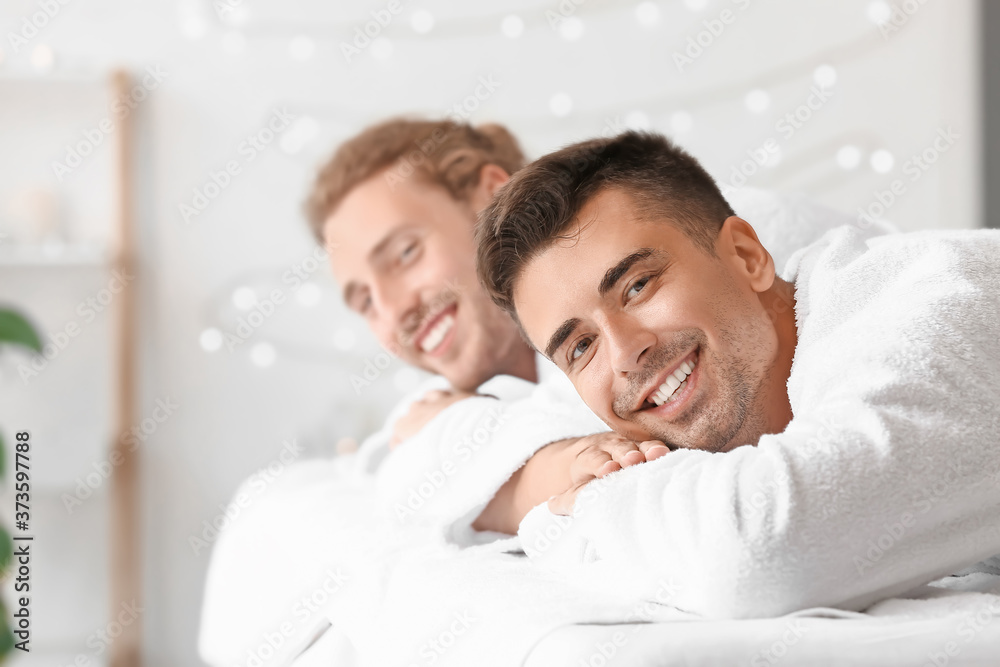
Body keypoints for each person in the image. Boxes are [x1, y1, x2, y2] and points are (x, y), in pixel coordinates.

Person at [475, 130, 1000, 619]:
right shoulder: (719, 374)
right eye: (581, 346)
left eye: (637, 287)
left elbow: (764, 553)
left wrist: (574, 516)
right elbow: (473, 463)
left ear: (747, 257)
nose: (625, 355)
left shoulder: (935, 306)